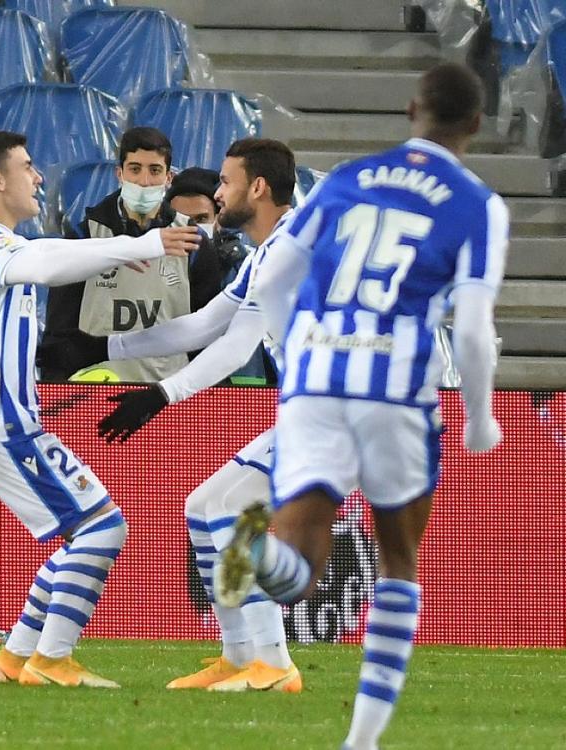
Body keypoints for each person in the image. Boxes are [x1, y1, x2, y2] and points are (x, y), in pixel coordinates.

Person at [216, 63, 506, 749]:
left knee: (299, 571)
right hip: (393, 389)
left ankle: (256, 546)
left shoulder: (345, 179)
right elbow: (471, 329)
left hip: (315, 381)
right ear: (475, 123)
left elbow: (276, 274)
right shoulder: (477, 203)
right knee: (398, 563)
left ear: (410, 110)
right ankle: (362, 741)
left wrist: (298, 352)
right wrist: (480, 416)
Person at [38, 138, 303, 693]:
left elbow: (233, 349)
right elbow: (204, 325)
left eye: (226, 182)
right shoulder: (271, 252)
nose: (216, 193)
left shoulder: (290, 248)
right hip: (315, 409)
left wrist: (162, 394)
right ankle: (239, 657)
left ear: (257, 188)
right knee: (205, 506)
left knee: (229, 508)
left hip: (342, 409)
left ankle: (275, 664)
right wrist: (105, 348)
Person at [0, 130, 200, 688]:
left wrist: (122, 252)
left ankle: (14, 658)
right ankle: (51, 660)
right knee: (102, 529)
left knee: (88, 530)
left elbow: (51, 255)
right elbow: (43, 263)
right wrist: (143, 245)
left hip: (6, 420)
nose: (38, 177)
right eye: (27, 167)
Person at [42, 127, 222, 382]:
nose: (144, 181)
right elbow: (59, 332)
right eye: (135, 169)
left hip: (166, 392)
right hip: (96, 389)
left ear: (169, 177)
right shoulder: (85, 237)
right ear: (120, 174)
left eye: (155, 170)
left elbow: (208, 333)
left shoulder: (193, 241)